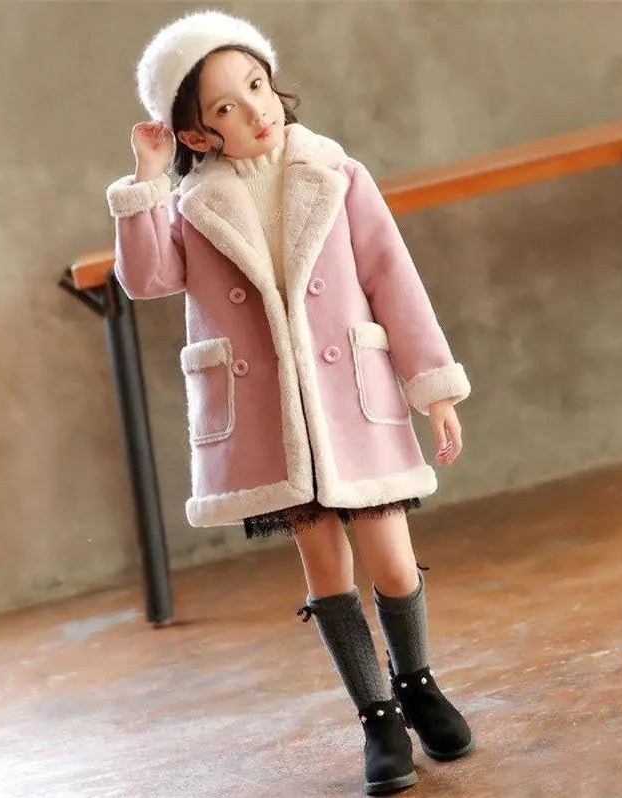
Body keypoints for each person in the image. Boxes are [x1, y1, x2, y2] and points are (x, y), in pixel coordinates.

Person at [105, 10, 475, 794]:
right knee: (326, 569)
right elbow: (147, 279)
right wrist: (146, 182)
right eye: (226, 106)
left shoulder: (337, 174)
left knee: (393, 561)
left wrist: (434, 389)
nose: (254, 109)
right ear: (197, 133)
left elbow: (393, 281)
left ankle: (417, 684)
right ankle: (378, 718)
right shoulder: (191, 205)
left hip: (353, 402)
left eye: (256, 85)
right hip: (274, 421)